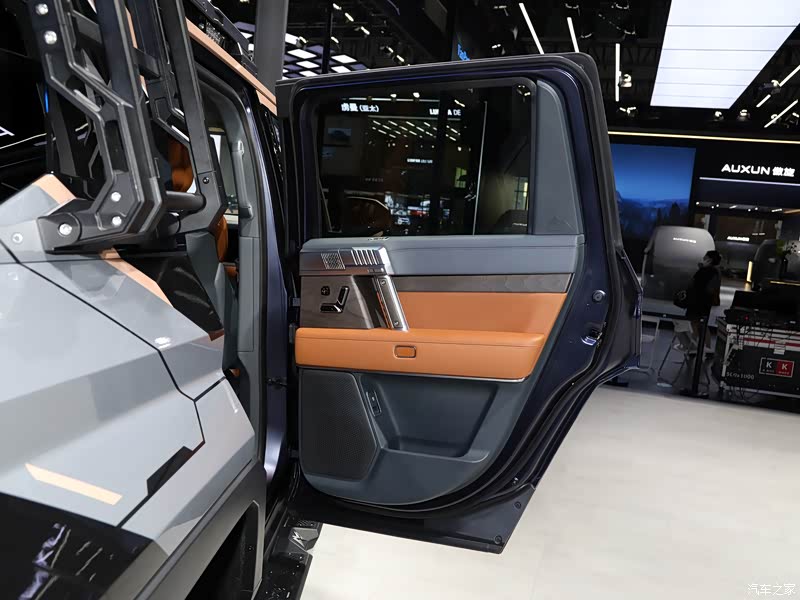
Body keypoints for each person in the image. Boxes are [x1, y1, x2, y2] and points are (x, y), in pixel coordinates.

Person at [685, 250, 722, 351]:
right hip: (706, 302)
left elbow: (694, 283)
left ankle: (693, 347)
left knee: (694, 324)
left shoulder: (704, 271)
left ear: (710, 259)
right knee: (703, 326)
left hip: (697, 301)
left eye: (705, 257)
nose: (703, 259)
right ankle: (707, 348)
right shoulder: (715, 271)